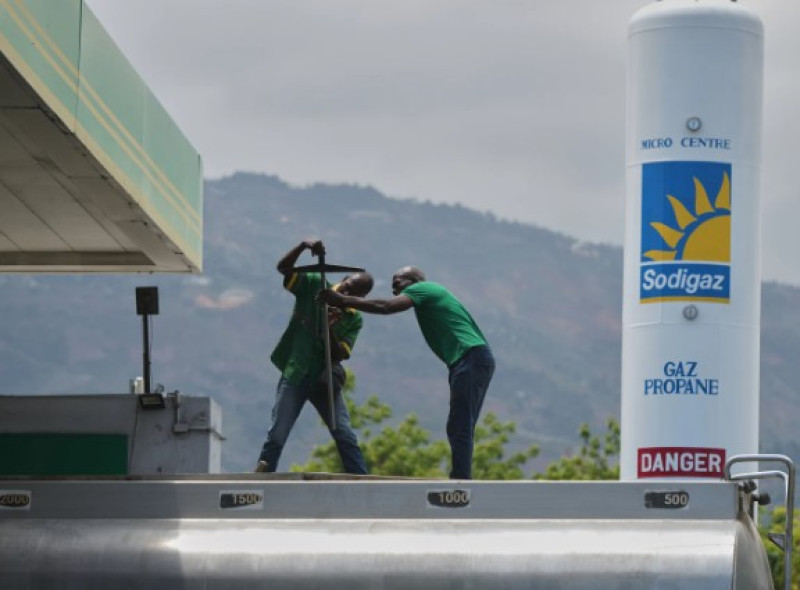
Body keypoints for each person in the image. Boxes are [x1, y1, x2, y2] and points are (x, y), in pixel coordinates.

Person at [322, 266, 494, 479]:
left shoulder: (423, 288)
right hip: (469, 360)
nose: (395, 290)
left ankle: (461, 482)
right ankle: (461, 477)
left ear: (414, 279)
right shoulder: (428, 294)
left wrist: (343, 300)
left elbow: (386, 306)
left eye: (398, 283)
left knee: (460, 424)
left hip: (470, 357)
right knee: (459, 424)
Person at [255, 239, 373, 474]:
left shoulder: (353, 318)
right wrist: (302, 246)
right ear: (342, 280)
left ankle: (361, 478)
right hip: (296, 371)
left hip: (324, 380)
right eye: (347, 286)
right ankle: (263, 475)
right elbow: (284, 269)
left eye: (354, 294)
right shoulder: (313, 286)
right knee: (278, 431)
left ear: (359, 299)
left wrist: (328, 327)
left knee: (344, 432)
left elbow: (341, 354)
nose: (346, 293)